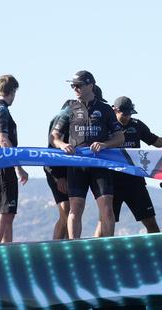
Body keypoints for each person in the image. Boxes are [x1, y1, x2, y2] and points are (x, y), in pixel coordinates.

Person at [51, 70, 125, 238]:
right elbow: (54, 137)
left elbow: (120, 137)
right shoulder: (69, 108)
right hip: (77, 164)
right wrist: (62, 145)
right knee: (75, 208)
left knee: (106, 207)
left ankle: (109, 246)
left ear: (90, 85)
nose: (75, 88)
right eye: (73, 86)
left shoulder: (105, 109)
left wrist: (105, 144)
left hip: (100, 163)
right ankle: (74, 246)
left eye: (78, 85)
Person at [96, 96, 162, 235]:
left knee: (150, 222)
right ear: (114, 110)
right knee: (104, 222)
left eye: (130, 114)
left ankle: (156, 253)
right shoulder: (105, 126)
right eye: (124, 114)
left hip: (134, 181)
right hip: (111, 182)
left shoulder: (136, 125)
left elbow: (156, 141)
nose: (127, 117)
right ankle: (95, 253)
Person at [0, 74, 28, 244]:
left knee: (9, 212)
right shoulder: (1, 110)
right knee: (4, 213)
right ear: (12, 91)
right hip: (2, 164)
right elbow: (3, 140)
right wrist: (19, 167)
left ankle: (7, 250)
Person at [45, 99, 74, 240]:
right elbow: (52, 147)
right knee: (66, 210)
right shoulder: (65, 116)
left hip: (69, 169)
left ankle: (66, 244)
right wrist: (58, 176)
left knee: (70, 211)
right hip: (56, 170)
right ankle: (59, 248)